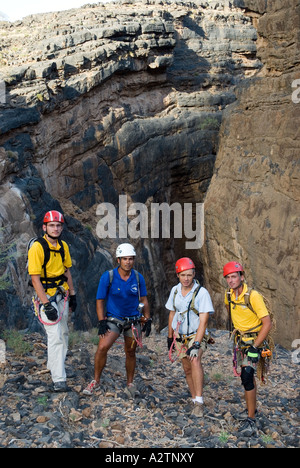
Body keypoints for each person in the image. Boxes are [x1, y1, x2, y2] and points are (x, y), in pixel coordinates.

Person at [83, 243, 151, 398]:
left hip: (133, 321)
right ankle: (96, 380)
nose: (128, 262)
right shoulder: (108, 276)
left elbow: (144, 299)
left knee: (131, 351)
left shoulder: (138, 278)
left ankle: (130, 383)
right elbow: (100, 300)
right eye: (125, 259)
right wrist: (101, 322)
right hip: (114, 319)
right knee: (102, 347)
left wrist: (147, 318)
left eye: (131, 259)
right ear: (118, 260)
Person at [28, 210, 77, 392]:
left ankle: (55, 365)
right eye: (52, 225)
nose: (55, 228)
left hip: (61, 294)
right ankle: (59, 379)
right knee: (55, 336)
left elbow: (66, 271)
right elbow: (35, 279)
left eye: (58, 225)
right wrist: (46, 305)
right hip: (46, 297)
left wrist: (73, 294)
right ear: (44, 227)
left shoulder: (63, 246)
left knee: (63, 333)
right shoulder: (38, 248)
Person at [223, 261, 272, 437]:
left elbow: (267, 323)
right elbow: (232, 314)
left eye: (234, 276)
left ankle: (251, 419)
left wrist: (254, 347)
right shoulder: (228, 295)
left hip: (254, 341)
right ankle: (251, 410)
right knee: (247, 377)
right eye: (228, 277)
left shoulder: (253, 296)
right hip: (241, 341)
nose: (231, 280)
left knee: (246, 376)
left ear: (242, 277)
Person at [166, 257, 214, 417]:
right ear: (177, 275)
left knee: (195, 360)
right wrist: (169, 337)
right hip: (180, 336)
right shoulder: (175, 291)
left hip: (196, 334)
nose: (186, 278)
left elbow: (204, 320)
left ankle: (199, 402)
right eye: (183, 275)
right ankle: (194, 399)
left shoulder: (201, 293)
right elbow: (172, 313)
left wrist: (197, 343)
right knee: (187, 368)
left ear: (194, 274)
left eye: (189, 275)